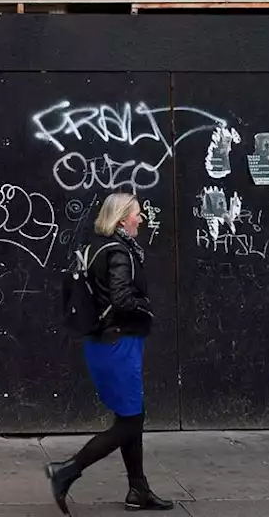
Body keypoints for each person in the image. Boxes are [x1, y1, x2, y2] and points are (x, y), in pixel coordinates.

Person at [46, 192, 174, 513]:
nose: (141, 219)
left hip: (102, 343)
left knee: (130, 415)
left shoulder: (95, 247)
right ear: (121, 220)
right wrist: (146, 307)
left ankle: (138, 490)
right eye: (137, 214)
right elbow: (121, 299)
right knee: (131, 421)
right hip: (119, 344)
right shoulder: (118, 251)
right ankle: (66, 471)